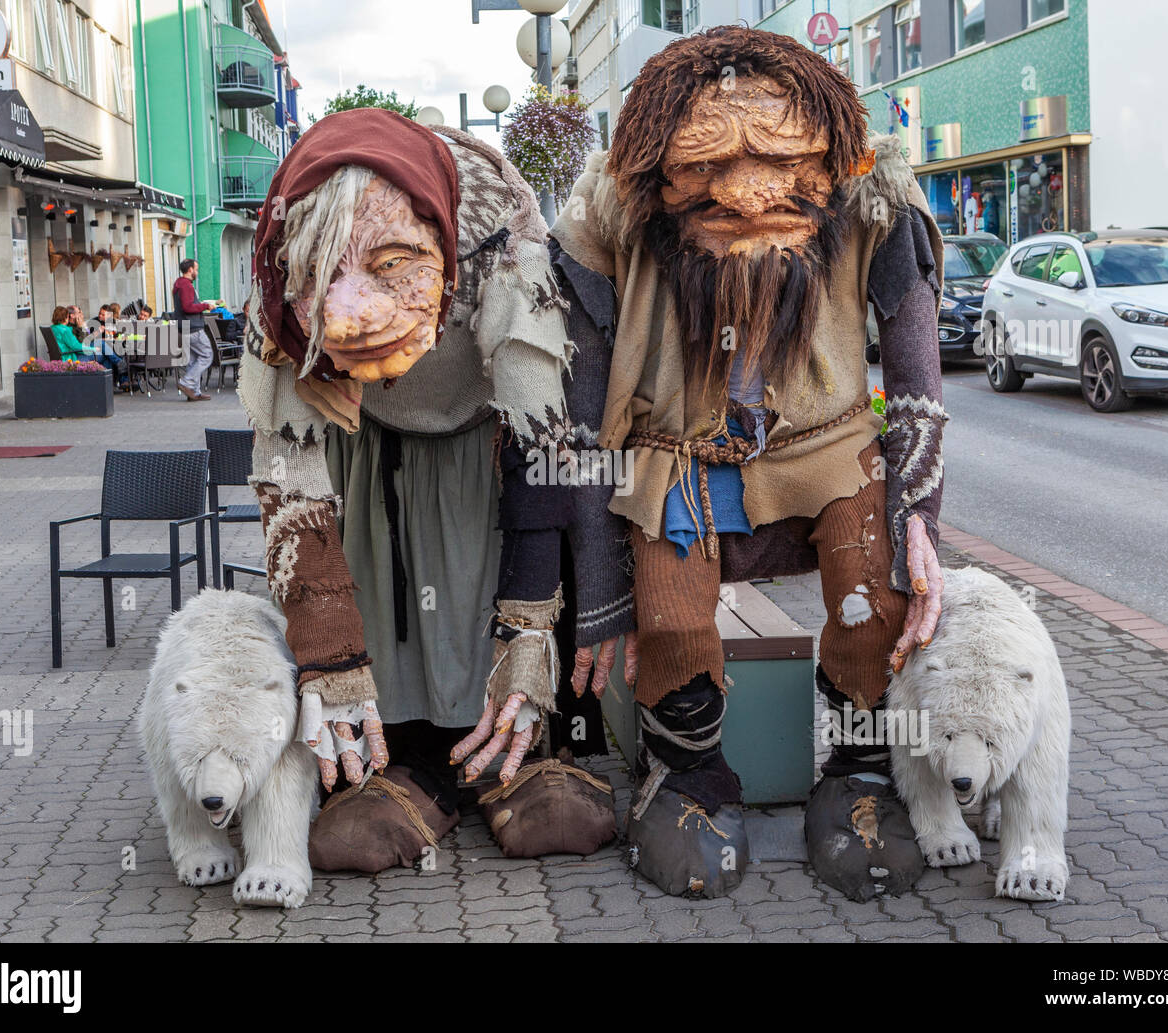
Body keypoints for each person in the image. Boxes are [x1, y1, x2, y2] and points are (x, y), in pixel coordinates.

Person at [550, 26, 947, 899]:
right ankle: (685, 775)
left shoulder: (873, 194)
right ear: (657, 175)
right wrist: (596, 580)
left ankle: (860, 771)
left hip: (830, 448)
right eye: (708, 170)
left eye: (776, 161)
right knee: (675, 617)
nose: (748, 191)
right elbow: (578, 405)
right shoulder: (612, 209)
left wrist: (917, 511)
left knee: (870, 594)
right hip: (677, 454)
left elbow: (915, 370)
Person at [236, 108, 603, 876]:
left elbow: (541, 440)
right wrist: (327, 651)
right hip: (370, 449)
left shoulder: (498, 231)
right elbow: (288, 476)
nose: (349, 312)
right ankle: (404, 761)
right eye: (323, 279)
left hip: (484, 441)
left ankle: (531, 748)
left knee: (489, 578)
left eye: (392, 263)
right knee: (384, 593)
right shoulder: (282, 253)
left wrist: (531, 628)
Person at [172, 259, 213, 401]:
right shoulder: (186, 286)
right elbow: (188, 307)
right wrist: (205, 306)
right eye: (196, 269)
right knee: (207, 355)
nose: (197, 272)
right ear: (190, 270)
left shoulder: (179, 284)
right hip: (193, 327)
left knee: (193, 360)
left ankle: (194, 392)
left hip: (184, 327)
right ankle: (187, 382)